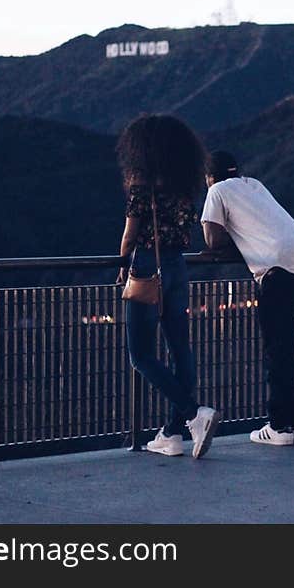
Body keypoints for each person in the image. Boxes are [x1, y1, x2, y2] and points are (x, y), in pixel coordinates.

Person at [201, 150, 294, 446]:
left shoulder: (217, 191)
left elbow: (212, 240)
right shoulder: (254, 184)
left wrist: (243, 246)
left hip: (279, 269)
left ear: (209, 177)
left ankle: (279, 427)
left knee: (278, 350)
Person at [116, 114, 220, 458]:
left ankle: (193, 415)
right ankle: (173, 433)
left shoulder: (142, 184)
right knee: (180, 348)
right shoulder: (183, 186)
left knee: (141, 354)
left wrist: (122, 263)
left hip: (147, 266)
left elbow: (131, 233)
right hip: (177, 266)